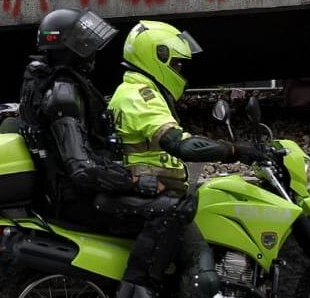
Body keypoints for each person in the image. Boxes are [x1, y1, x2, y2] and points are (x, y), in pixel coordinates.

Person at [106, 20, 268, 298]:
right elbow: (181, 145)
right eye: (177, 65)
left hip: (159, 196)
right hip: (155, 199)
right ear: (157, 58)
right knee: (202, 276)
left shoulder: (137, 91)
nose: (180, 71)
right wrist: (233, 151)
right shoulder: (140, 96)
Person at [17, 8, 164, 230]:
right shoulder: (63, 96)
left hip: (68, 191)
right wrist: (135, 182)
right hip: (76, 199)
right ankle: (140, 267)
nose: (93, 54)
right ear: (72, 50)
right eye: (86, 47)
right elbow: (82, 169)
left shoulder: (41, 81)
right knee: (174, 210)